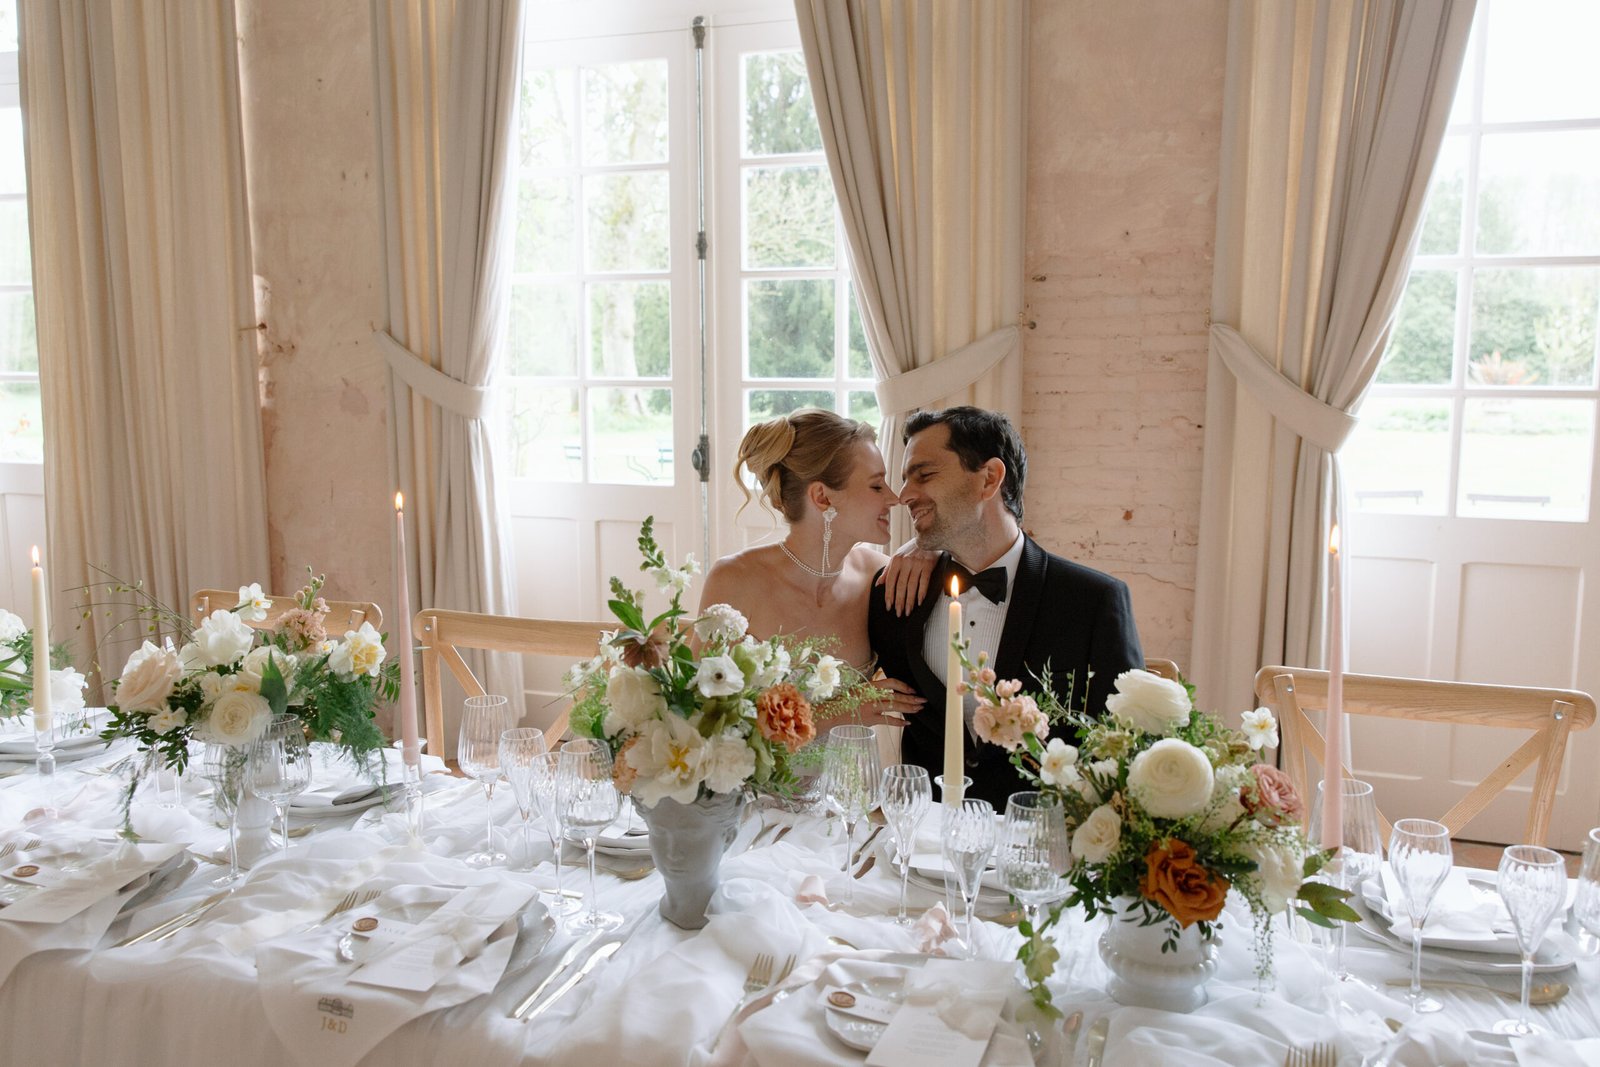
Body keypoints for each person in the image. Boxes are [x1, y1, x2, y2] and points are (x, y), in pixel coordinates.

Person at [868, 406, 1144, 807]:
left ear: (990, 479)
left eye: (924, 475)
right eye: (905, 479)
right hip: (924, 842)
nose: (904, 495)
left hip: (1041, 846)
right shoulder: (893, 594)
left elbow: (1124, 746)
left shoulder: (1092, 602)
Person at [696, 409, 930, 727]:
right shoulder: (735, 581)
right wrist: (836, 713)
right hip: (755, 777)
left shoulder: (881, 575)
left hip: (851, 773)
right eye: (877, 486)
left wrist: (928, 547)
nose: (893, 498)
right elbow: (702, 719)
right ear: (822, 497)